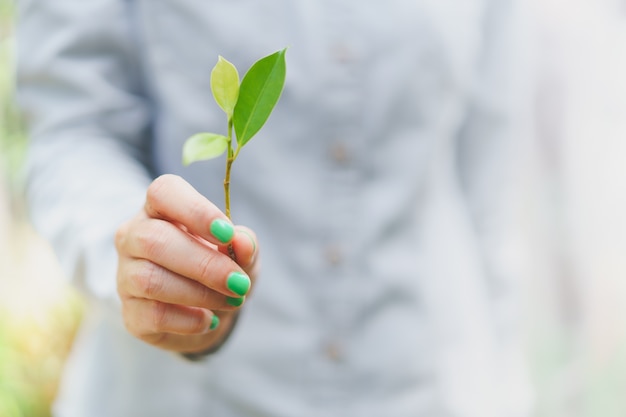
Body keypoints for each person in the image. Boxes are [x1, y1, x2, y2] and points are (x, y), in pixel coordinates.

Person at [16, 1, 534, 416]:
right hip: (189, 394)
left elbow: (489, 182)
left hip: (425, 385)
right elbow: (73, 128)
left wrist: (507, 389)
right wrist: (139, 254)